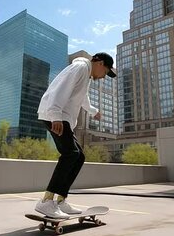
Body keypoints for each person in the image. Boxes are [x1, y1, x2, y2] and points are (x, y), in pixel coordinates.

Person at [35, 52, 116, 218]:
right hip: (56, 115)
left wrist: (93, 111)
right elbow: (60, 89)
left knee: (79, 157)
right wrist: (55, 115)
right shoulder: (79, 68)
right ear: (99, 63)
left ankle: (60, 200)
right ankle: (46, 201)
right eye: (106, 72)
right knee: (70, 154)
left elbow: (82, 98)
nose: (104, 77)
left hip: (62, 117)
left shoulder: (85, 75)